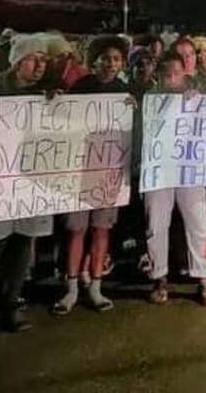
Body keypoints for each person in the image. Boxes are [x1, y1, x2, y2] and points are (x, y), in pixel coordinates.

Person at [0, 35, 53, 336]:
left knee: (23, 242)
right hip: (0, 181)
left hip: (32, 182)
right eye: (34, 59)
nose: (40, 65)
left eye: (44, 59)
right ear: (18, 62)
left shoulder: (49, 94)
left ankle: (11, 302)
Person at [52, 35, 130, 315]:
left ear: (122, 63)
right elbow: (61, 123)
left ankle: (96, 287)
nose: (111, 64)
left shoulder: (126, 92)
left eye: (116, 59)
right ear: (94, 61)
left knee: (101, 230)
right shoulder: (80, 88)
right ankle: (71, 289)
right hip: (79, 171)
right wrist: (59, 101)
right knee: (76, 230)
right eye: (106, 59)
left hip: (109, 173)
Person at [143, 53, 206, 305]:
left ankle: (203, 278)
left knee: (199, 224)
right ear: (160, 76)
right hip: (159, 172)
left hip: (190, 170)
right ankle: (159, 277)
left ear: (184, 73)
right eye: (167, 74)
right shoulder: (149, 98)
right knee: (156, 225)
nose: (172, 78)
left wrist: (197, 103)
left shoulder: (197, 97)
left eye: (176, 73)